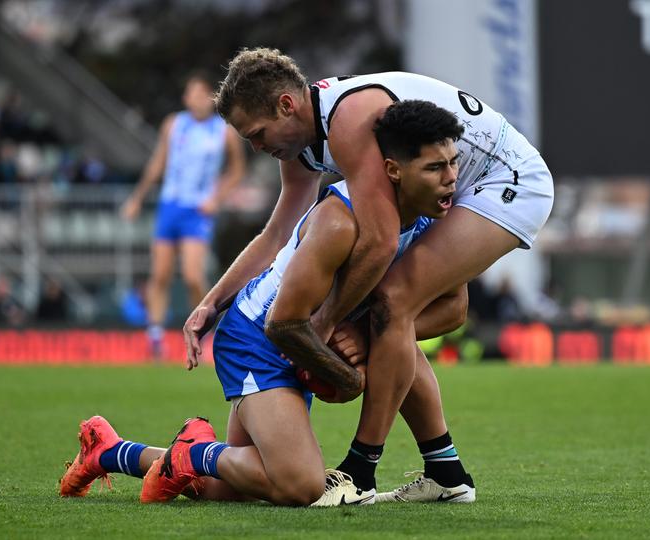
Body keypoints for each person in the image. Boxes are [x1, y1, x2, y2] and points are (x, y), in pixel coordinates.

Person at [181, 48, 554, 503]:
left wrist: (325, 326)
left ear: (286, 105)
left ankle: (360, 470)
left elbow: (378, 244)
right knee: (391, 317)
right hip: (453, 181)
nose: (256, 147)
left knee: (392, 305)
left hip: (506, 181)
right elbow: (277, 233)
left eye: (257, 134)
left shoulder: (347, 120)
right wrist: (211, 302)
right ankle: (445, 470)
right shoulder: (303, 139)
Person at [60, 101, 471, 506]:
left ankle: (109, 451)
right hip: (259, 339)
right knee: (300, 486)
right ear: (394, 171)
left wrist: (366, 335)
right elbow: (283, 324)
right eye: (435, 168)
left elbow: (455, 308)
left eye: (453, 163)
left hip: (303, 337)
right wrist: (349, 377)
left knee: (230, 486)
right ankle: (190, 452)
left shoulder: (431, 214)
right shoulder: (340, 219)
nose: (452, 179)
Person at [121, 71, 245, 357]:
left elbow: (237, 171)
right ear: (186, 98)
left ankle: (202, 330)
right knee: (160, 274)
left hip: (197, 210)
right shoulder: (174, 124)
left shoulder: (223, 130)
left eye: (203, 95)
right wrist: (137, 197)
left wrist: (217, 199)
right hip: (170, 205)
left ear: (211, 99)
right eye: (192, 94)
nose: (197, 100)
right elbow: (159, 162)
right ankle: (154, 338)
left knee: (192, 275)